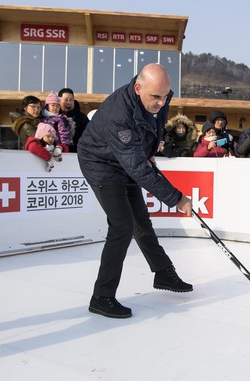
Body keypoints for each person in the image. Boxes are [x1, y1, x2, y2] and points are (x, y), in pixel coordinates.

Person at [77, 63, 193, 319]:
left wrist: (149, 152)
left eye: (165, 96)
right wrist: (176, 199)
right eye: (155, 97)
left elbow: (155, 125)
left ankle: (163, 273)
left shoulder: (159, 94)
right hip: (101, 163)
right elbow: (137, 169)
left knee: (141, 221)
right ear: (138, 87)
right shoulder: (118, 113)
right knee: (121, 227)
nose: (162, 102)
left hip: (126, 157)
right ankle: (102, 297)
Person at [58, 88, 90, 152]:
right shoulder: (53, 117)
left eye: (71, 100)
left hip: (75, 155)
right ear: (59, 100)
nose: (69, 102)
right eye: (66, 100)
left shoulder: (82, 118)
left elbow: (88, 138)